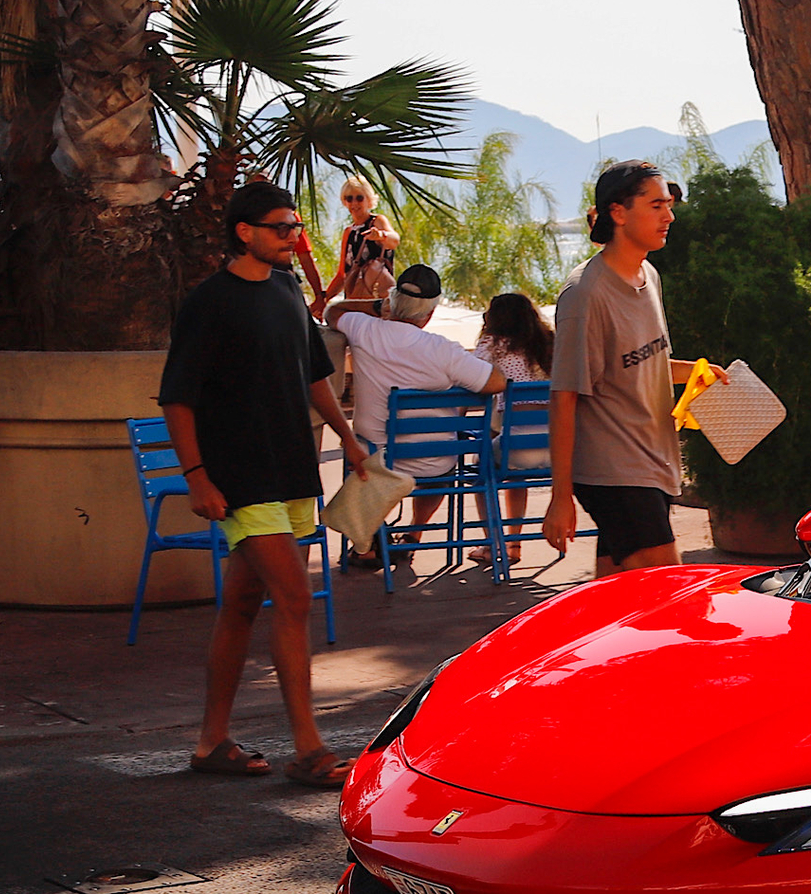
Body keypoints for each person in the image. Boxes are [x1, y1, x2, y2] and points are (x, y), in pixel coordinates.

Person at [158, 181, 370, 789]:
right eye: (282, 228)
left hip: (292, 468)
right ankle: (308, 749)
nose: (293, 237)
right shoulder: (209, 302)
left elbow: (315, 374)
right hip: (241, 476)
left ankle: (210, 742)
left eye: (297, 227)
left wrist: (348, 437)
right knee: (295, 599)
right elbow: (177, 397)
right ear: (244, 232)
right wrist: (197, 477)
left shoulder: (286, 290)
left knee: (243, 603)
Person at [542, 159, 684, 574]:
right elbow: (564, 396)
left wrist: (700, 372)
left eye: (669, 205)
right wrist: (560, 497)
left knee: (619, 596)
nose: (669, 217)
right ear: (618, 213)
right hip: (613, 471)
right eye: (656, 206)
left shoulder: (649, 275)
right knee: (667, 590)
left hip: (653, 461)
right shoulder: (584, 294)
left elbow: (643, 364)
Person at [326, 264, 508, 568]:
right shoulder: (443, 350)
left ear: (392, 300)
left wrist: (377, 307)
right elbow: (496, 382)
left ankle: (366, 544)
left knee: (367, 453)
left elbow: (332, 311)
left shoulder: (363, 330)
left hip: (377, 459)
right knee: (442, 467)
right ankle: (413, 535)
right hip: (435, 462)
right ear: (430, 313)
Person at [474, 292, 556, 557]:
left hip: (516, 449)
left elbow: (472, 376)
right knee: (515, 471)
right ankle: (514, 544)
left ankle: (492, 544)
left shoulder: (493, 345)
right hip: (556, 449)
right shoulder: (549, 345)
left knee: (482, 465)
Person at [321, 176, 399, 313]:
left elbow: (394, 240)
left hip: (377, 303)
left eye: (359, 198)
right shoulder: (349, 232)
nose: (354, 203)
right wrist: (323, 299)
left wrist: (381, 236)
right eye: (349, 198)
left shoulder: (377, 221)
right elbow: (342, 275)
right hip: (354, 303)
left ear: (368, 199)